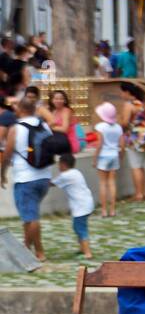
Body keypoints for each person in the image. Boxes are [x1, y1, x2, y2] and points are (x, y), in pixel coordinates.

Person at [2, 96, 55, 262]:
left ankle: (33, 252)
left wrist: (2, 173)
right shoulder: (44, 125)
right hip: (44, 176)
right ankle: (32, 249)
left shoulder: (16, 128)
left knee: (31, 217)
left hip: (25, 178)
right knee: (29, 215)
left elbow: (7, 154)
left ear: (20, 110)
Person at [52, 153, 95, 259]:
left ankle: (88, 253)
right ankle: (82, 248)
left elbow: (51, 183)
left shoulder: (65, 176)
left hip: (81, 207)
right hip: (87, 203)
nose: (58, 167)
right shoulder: (76, 172)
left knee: (80, 228)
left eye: (59, 164)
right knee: (77, 227)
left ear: (64, 164)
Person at [119, 83, 145, 201]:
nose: (121, 94)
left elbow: (125, 123)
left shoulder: (128, 105)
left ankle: (138, 194)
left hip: (135, 137)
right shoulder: (143, 104)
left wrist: (120, 123)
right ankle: (143, 192)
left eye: (122, 92)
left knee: (135, 166)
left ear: (128, 92)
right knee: (140, 165)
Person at [92, 101, 121, 217]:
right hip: (114, 155)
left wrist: (95, 159)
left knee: (103, 183)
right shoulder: (118, 127)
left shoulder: (100, 127)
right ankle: (113, 209)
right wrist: (121, 156)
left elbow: (99, 144)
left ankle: (104, 210)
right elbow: (122, 144)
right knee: (112, 183)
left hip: (103, 156)